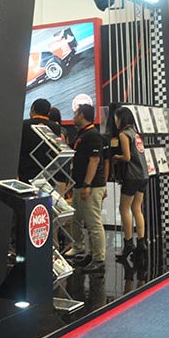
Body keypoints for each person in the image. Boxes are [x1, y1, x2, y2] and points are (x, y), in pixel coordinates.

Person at [65, 104, 107, 273]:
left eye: (75, 113)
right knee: (77, 219)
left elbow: (94, 160)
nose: (74, 116)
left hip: (91, 185)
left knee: (93, 222)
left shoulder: (92, 135)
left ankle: (99, 259)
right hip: (80, 183)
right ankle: (84, 249)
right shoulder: (82, 133)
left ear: (82, 115)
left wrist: (87, 184)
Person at [110, 106, 149, 260]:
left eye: (116, 118)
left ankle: (128, 244)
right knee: (137, 208)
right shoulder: (136, 133)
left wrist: (116, 157)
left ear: (121, 119)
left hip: (132, 176)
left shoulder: (124, 134)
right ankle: (141, 242)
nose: (115, 121)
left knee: (124, 208)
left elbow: (127, 157)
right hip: (143, 175)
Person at [17, 98, 52, 182]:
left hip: (25, 169)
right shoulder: (55, 127)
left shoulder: (24, 124)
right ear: (48, 112)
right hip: (46, 171)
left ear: (32, 108)